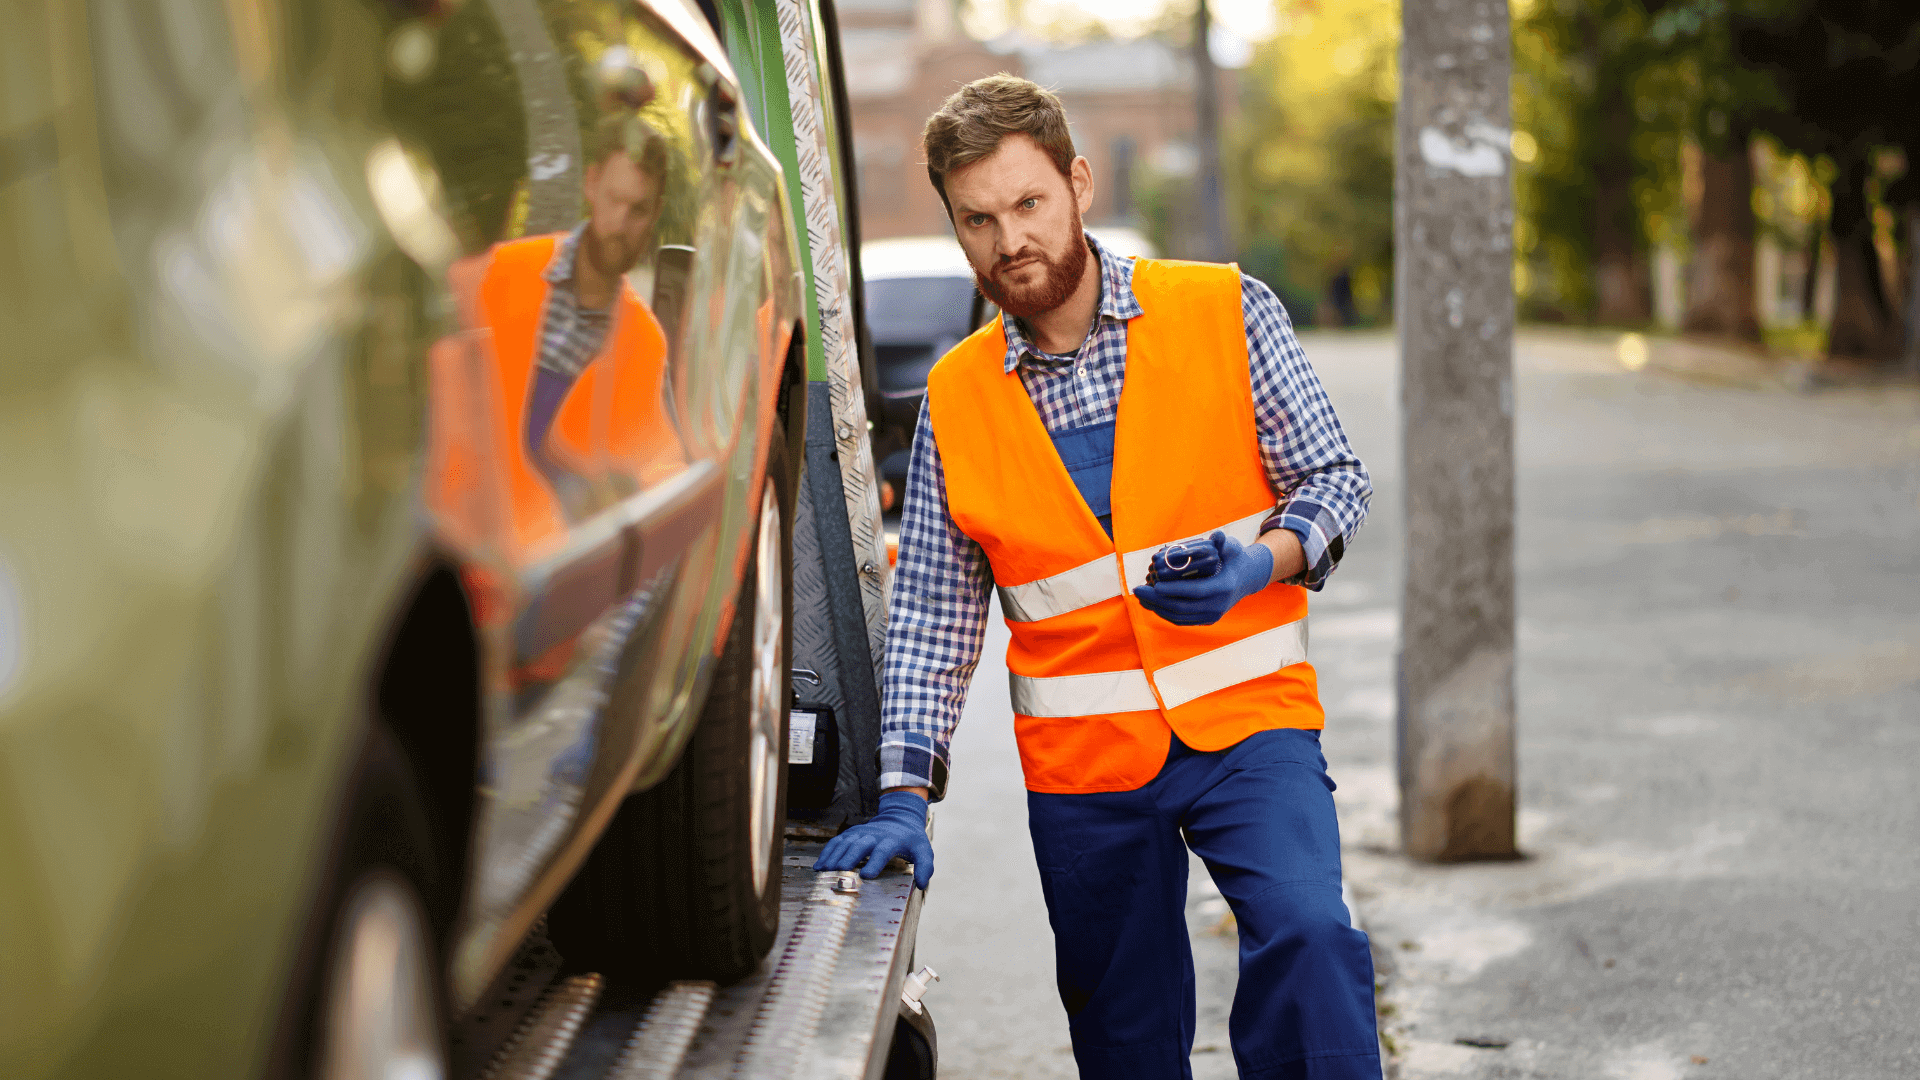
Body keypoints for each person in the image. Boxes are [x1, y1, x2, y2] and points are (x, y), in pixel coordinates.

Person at [814, 75, 1381, 1080]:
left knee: (1307, 935)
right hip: (1086, 771)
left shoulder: (1224, 309)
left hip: (1248, 726)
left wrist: (1264, 560)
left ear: (1078, 183)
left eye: (1028, 204)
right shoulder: (956, 399)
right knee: (1124, 1034)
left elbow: (1334, 477)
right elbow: (939, 616)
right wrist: (905, 792)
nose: (1008, 241)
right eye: (977, 219)